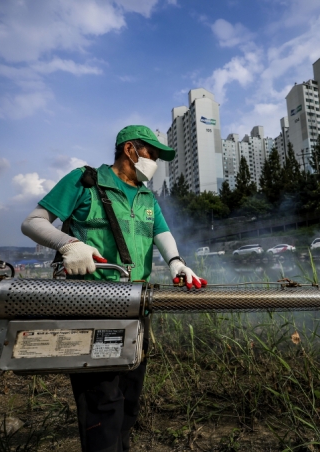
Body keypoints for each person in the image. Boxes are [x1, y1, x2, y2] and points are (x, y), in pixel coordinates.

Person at [21, 125, 206, 451]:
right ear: (130, 150)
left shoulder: (147, 196)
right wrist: (69, 244)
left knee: (130, 400)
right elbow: (33, 222)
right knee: (102, 401)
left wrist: (177, 262)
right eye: (151, 154)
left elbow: (160, 232)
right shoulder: (86, 180)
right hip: (90, 308)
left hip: (136, 307)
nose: (154, 162)